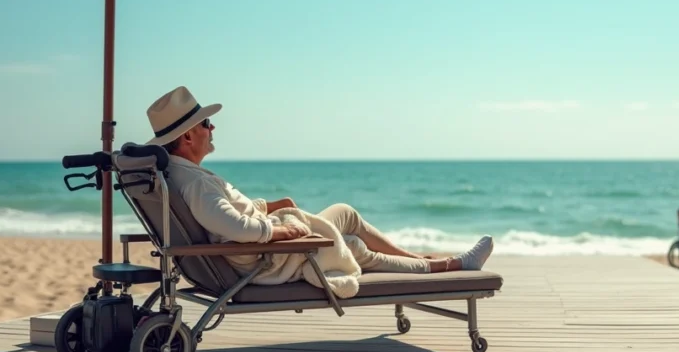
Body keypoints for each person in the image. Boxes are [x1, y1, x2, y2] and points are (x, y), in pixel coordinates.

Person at [143, 86, 494, 279]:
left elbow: (225, 214)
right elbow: (235, 226)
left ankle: (422, 260)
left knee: (347, 218)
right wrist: (282, 231)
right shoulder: (197, 183)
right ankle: (447, 266)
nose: (212, 128)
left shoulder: (182, 175)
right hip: (268, 262)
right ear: (187, 136)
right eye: (206, 124)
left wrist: (269, 206)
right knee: (352, 244)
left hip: (263, 255)